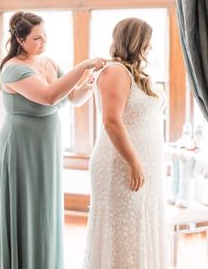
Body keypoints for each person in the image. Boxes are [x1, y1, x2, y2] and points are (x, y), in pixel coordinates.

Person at [0, 11, 106, 269]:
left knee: (45, 207)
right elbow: (49, 97)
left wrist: (87, 84)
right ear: (20, 39)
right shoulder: (12, 69)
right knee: (26, 207)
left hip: (47, 145)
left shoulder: (49, 63)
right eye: (37, 38)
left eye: (45, 36)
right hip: (21, 147)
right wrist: (83, 65)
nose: (44, 42)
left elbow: (71, 98)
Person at [83, 18, 169, 269]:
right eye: (147, 41)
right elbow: (111, 120)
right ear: (135, 41)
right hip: (120, 165)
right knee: (124, 232)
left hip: (144, 164)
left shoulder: (137, 72)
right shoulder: (115, 71)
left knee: (141, 226)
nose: (150, 47)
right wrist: (134, 162)